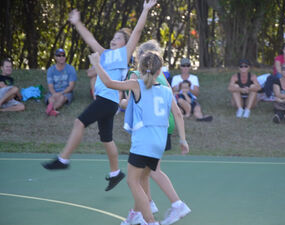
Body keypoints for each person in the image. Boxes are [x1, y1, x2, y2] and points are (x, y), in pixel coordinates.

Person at [42, 0, 157, 193]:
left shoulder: (124, 53)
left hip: (107, 100)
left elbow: (137, 31)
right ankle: (115, 173)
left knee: (79, 122)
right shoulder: (104, 54)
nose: (114, 39)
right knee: (106, 139)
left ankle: (63, 159)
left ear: (125, 43)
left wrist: (145, 10)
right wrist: (77, 23)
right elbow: (90, 39)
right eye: (113, 37)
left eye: (119, 37)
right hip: (107, 102)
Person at [89, 50, 189, 225]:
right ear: (160, 72)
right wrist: (183, 139)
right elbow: (178, 114)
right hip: (159, 141)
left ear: (140, 70)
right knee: (143, 177)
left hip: (144, 141)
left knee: (132, 180)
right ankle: (137, 213)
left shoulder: (136, 85)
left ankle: (150, 220)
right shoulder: (166, 90)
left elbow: (109, 83)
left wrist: (97, 63)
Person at [119, 40, 191, 225]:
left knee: (150, 172)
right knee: (144, 173)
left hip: (151, 129)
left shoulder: (135, 76)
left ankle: (174, 204)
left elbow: (130, 102)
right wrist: (182, 138)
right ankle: (139, 210)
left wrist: (121, 102)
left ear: (138, 59)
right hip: (165, 125)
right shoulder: (160, 77)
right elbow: (172, 104)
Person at [44, 48, 77, 116]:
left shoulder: (71, 69)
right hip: (53, 92)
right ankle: (52, 110)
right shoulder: (51, 70)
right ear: (55, 57)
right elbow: (50, 86)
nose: (61, 57)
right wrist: (54, 93)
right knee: (51, 98)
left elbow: (71, 86)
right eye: (59, 55)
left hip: (66, 92)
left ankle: (51, 109)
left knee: (62, 98)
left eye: (63, 55)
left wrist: (60, 93)